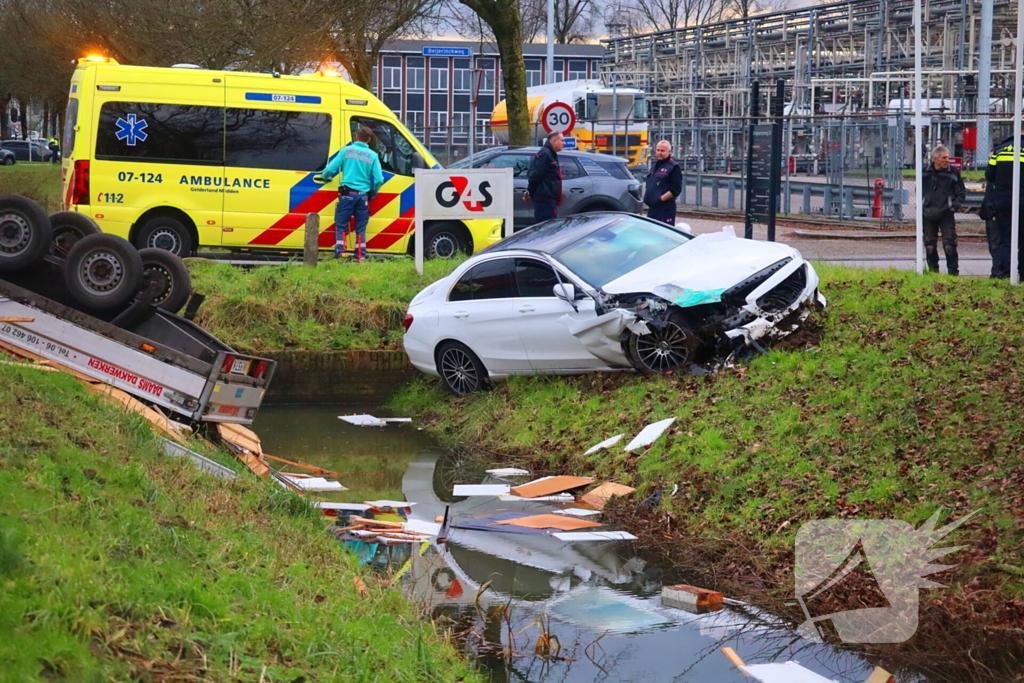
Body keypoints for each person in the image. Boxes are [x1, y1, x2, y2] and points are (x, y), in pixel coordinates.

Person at [314, 126, 383, 262]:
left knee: (341, 225)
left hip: (346, 193)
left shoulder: (346, 151)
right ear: (368, 140)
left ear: (356, 137)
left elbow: (330, 168)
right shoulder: (373, 156)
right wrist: (373, 192)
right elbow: (379, 179)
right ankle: (360, 257)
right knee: (360, 228)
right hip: (363, 195)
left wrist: (326, 177)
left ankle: (341, 255)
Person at [920, 144, 964, 275]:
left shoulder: (953, 172)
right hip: (928, 213)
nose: (947, 160)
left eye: (948, 157)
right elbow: (919, 191)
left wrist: (953, 206)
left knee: (949, 244)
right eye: (944, 158)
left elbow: (961, 192)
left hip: (946, 214)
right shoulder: (924, 172)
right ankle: (933, 272)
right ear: (935, 159)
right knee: (929, 245)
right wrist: (922, 204)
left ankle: (953, 272)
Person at [985, 134, 1024, 279]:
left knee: (1005, 240)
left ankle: (1004, 274)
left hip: (1003, 201)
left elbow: (989, 176)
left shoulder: (999, 150)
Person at [525, 131, 564, 223]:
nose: (564, 143)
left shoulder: (550, 154)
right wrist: (530, 191)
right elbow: (536, 174)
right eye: (562, 140)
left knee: (548, 227)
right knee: (547, 228)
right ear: (554, 141)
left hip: (548, 198)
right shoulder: (546, 154)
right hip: (545, 198)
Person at [644, 140, 683, 224]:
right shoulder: (654, 165)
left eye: (662, 151)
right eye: (658, 150)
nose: (659, 153)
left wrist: (659, 200)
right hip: (652, 208)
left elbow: (675, 190)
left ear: (669, 151)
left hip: (665, 209)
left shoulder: (673, 167)